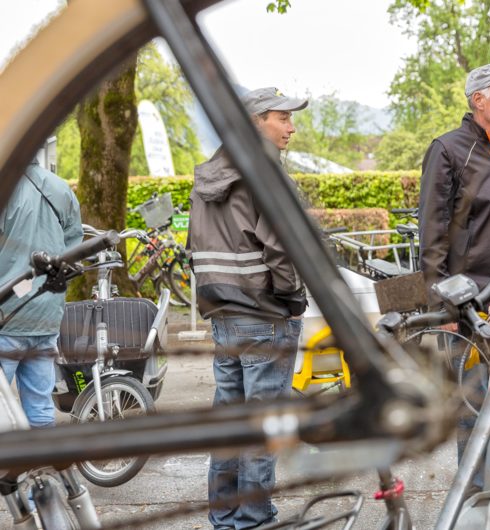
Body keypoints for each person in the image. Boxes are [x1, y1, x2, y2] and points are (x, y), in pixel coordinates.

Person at [189, 86, 308, 530]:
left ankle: (224, 517)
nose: (291, 127)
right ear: (256, 121)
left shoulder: (208, 174)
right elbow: (283, 250)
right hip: (265, 315)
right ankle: (254, 520)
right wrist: (294, 301)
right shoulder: (264, 172)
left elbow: (195, 246)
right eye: (282, 118)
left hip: (223, 314)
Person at [418, 61, 490, 464]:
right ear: (479, 99)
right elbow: (431, 233)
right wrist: (442, 305)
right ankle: (476, 497)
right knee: (474, 407)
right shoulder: (448, 149)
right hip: (469, 305)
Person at [0, 160, 82, 429]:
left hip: (7, 316)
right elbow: (74, 248)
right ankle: (42, 467)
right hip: (47, 315)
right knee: (40, 407)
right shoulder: (61, 189)